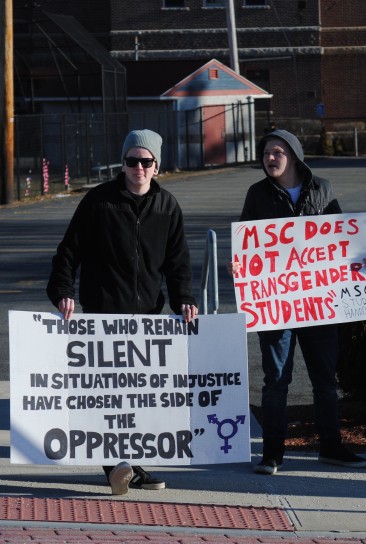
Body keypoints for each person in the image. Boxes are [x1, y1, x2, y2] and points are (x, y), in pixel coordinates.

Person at [47, 129, 198, 494]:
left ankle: (131, 465)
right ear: (123, 163)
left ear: (157, 166)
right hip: (103, 316)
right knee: (108, 397)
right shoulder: (98, 202)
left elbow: (178, 264)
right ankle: (117, 466)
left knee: (137, 399)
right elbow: (68, 252)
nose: (138, 168)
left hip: (147, 319)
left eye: (146, 162)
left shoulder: (167, 207)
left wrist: (183, 301)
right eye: (132, 161)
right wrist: (62, 292)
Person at [228, 129, 366, 475]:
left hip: (317, 302)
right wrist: (239, 262)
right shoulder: (257, 194)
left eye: (278, 152)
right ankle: (273, 453)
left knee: (325, 378)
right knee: (276, 378)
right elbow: (247, 242)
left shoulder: (322, 188)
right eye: (266, 152)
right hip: (276, 304)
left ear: (293, 156)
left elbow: (341, 235)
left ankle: (331, 446)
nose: (271, 158)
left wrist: (361, 260)